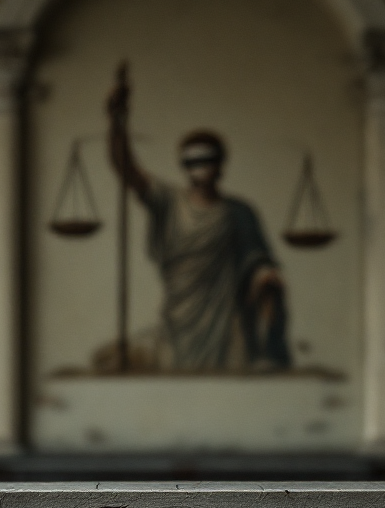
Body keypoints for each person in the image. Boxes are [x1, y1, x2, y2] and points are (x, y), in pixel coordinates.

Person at [107, 75, 291, 372]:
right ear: (183, 166)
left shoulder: (238, 212)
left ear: (221, 164)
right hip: (180, 316)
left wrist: (265, 276)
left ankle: (270, 353)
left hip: (225, 317)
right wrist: (116, 122)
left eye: (207, 159)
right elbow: (126, 168)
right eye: (192, 161)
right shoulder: (168, 200)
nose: (200, 168)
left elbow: (258, 260)